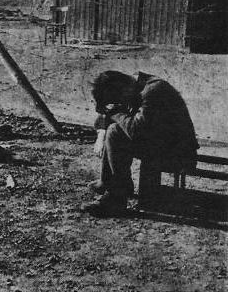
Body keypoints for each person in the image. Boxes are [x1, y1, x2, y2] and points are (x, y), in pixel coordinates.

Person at [84, 70, 199, 216]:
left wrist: (115, 112)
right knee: (114, 129)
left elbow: (136, 131)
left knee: (115, 132)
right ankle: (110, 183)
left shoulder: (153, 90)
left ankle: (116, 198)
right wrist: (101, 134)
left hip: (179, 152)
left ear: (124, 88)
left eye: (119, 99)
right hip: (160, 143)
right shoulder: (134, 85)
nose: (121, 103)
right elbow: (105, 115)